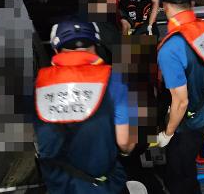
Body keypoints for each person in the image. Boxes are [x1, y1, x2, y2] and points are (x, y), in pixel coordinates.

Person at [33, 21, 135, 193]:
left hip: (59, 184)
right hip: (101, 184)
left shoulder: (37, 85)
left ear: (57, 50)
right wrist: (125, 152)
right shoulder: (116, 81)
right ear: (95, 46)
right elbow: (125, 142)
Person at [155, 0, 204, 194]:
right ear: (192, 2)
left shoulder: (171, 48)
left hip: (186, 123)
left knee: (180, 178)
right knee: (187, 166)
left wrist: (168, 133)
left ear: (164, 4)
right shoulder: (203, 28)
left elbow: (180, 102)